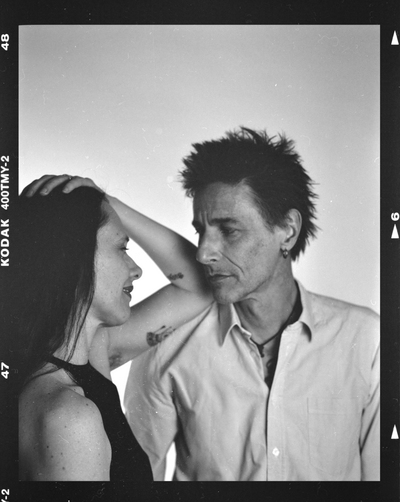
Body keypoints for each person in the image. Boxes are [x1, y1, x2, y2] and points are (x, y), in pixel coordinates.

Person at [123, 127, 380, 481]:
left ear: (287, 230)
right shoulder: (166, 343)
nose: (203, 253)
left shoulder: (366, 340)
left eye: (229, 230)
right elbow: (134, 483)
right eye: (200, 231)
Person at [15, 175, 212, 481]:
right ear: (75, 256)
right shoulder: (70, 418)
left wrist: (107, 202)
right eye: (122, 248)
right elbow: (199, 286)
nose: (137, 269)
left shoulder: (91, 351)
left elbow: (201, 286)